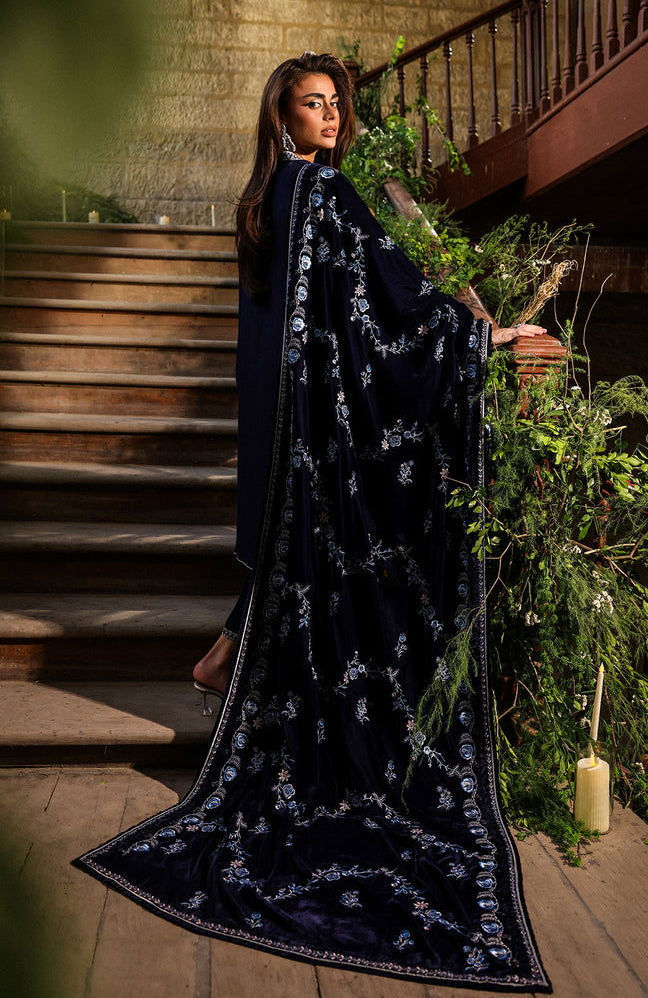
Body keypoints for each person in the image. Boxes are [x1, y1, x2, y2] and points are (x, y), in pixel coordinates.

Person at [74, 52, 551, 993]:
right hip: (310, 419)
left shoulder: (269, 200)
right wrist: (477, 336)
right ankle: (229, 658)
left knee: (295, 553)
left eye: (337, 104)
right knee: (319, 550)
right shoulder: (319, 193)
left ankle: (225, 653)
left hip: (279, 412)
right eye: (312, 104)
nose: (330, 117)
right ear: (281, 115)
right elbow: (384, 293)